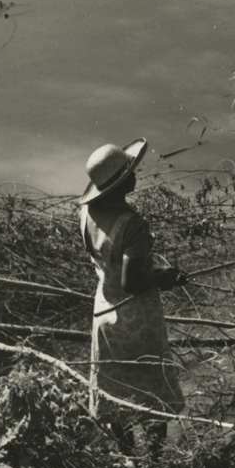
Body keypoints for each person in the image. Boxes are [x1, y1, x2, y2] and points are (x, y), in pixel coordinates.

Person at [78, 140, 186, 452]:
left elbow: (111, 270)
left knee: (116, 396)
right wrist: (166, 278)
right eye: (129, 171)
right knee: (152, 399)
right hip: (137, 320)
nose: (135, 173)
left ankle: (128, 463)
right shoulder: (134, 226)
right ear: (118, 184)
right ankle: (152, 467)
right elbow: (132, 281)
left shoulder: (86, 213)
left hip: (105, 314)